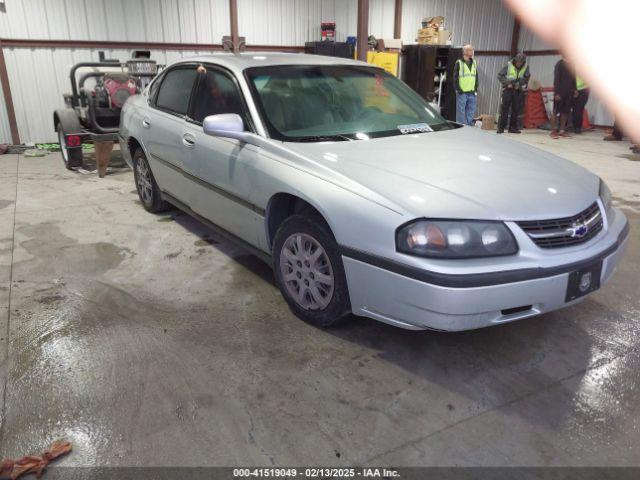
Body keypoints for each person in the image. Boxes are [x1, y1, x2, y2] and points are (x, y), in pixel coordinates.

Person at [497, 52, 530, 133]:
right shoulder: (509, 65)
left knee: (516, 109)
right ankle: (501, 127)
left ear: (523, 62)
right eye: (518, 61)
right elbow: (500, 75)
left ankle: (513, 128)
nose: (519, 63)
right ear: (515, 60)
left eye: (521, 62)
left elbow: (527, 77)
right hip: (508, 90)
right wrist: (508, 83)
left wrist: (519, 84)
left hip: (517, 90)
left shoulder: (526, 67)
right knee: (505, 109)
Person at [550, 57, 576, 139]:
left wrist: (575, 89)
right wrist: (556, 93)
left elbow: (574, 78)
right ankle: (553, 131)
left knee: (565, 112)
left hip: (569, 93)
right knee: (556, 112)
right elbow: (556, 79)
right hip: (560, 93)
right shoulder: (559, 64)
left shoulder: (572, 64)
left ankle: (562, 131)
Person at [453, 44, 478, 125]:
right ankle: (461, 126)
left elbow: (476, 76)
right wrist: (458, 89)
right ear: (465, 52)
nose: (472, 52)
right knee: (461, 111)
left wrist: (476, 88)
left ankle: (468, 126)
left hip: (472, 92)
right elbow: (455, 77)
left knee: (471, 110)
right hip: (462, 92)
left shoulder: (474, 62)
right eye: (471, 50)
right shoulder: (459, 62)